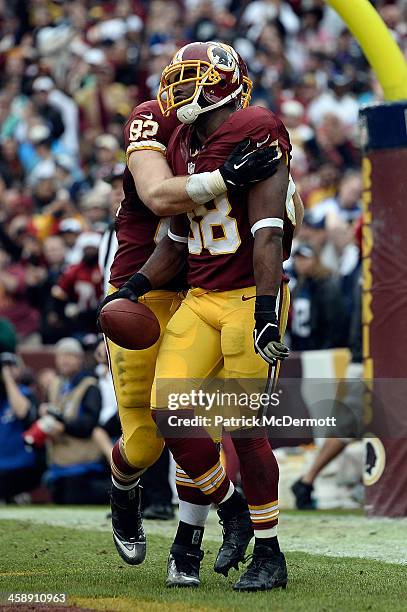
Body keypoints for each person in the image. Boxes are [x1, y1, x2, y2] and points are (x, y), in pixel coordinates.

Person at [104, 41, 296, 591]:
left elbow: (268, 232)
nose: (181, 87)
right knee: (170, 416)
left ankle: (267, 551)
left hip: (243, 296)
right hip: (196, 296)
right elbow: (175, 230)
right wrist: (135, 286)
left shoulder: (257, 125)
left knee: (243, 429)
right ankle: (230, 512)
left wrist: (265, 309)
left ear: (225, 84)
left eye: (195, 77)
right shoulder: (182, 139)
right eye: (181, 76)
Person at [41, 337, 109, 505]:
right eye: (61, 355)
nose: (64, 359)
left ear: (80, 359)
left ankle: (120, 493)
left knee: (74, 498)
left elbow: (89, 424)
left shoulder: (90, 385)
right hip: (58, 461)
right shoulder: (55, 385)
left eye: (70, 355)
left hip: (83, 460)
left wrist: (63, 427)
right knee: (60, 497)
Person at [289, 243, 348, 351]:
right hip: (300, 347)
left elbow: (333, 321)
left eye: (305, 259)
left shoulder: (326, 284)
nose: (300, 263)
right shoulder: (299, 285)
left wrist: (326, 348)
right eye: (297, 259)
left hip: (319, 348)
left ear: (316, 260)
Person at [0, 351, 41, 502]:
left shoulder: (25, 393)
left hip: (20, 465)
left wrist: (8, 379)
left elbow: (22, 412)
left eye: (11, 366)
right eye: (4, 367)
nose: (7, 370)